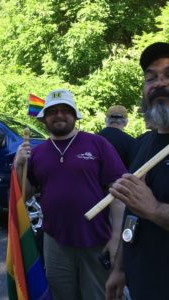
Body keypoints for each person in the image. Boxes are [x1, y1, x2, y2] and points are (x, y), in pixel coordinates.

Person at [14, 89, 126, 300]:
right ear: (44, 118)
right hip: (55, 241)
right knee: (61, 296)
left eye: (65, 110)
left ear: (75, 115)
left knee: (98, 295)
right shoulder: (37, 153)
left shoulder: (98, 144)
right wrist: (19, 165)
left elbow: (118, 193)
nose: (59, 115)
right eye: (52, 111)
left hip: (97, 239)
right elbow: (24, 195)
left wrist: (116, 237)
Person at [106, 42, 169, 300]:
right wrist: (119, 268)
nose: (158, 83)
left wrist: (154, 209)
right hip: (139, 285)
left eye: (168, 75)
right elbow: (133, 213)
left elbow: (146, 209)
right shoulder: (143, 143)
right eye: (150, 78)